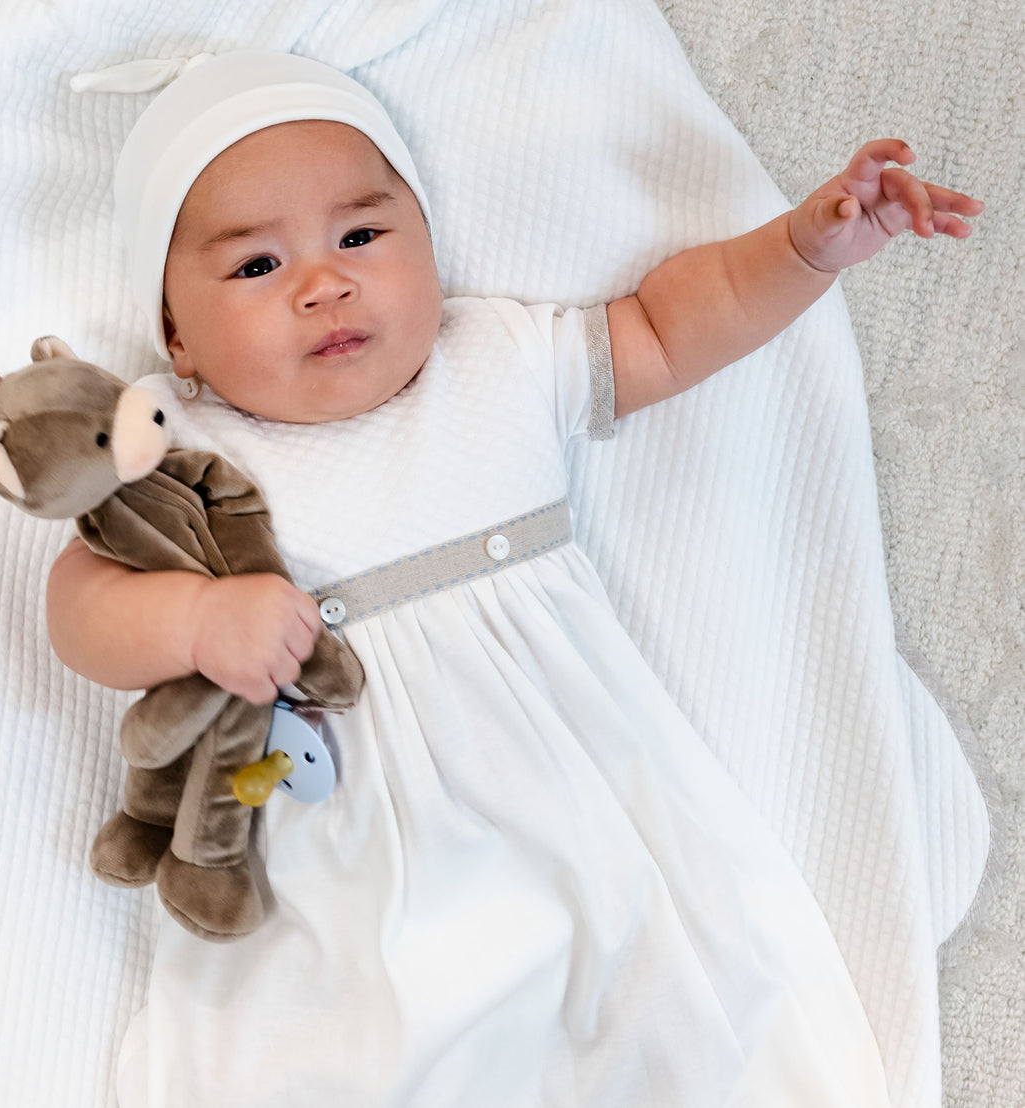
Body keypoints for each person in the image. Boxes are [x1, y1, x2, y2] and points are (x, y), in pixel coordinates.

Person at [50, 51, 980, 1106]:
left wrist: (804, 248)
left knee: (680, 993)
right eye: (256, 267)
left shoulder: (490, 358)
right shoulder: (183, 453)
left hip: (576, 793)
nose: (324, 282)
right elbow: (80, 601)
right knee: (336, 1042)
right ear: (176, 337)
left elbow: (679, 322)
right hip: (338, 839)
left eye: (361, 235)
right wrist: (195, 615)